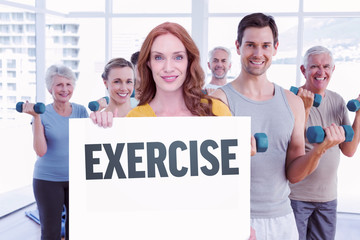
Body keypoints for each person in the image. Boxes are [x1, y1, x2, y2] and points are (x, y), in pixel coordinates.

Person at [91, 21, 256, 239]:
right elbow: (123, 194)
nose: (168, 67)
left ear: (190, 61)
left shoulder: (215, 110)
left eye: (178, 56)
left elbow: (229, 185)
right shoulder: (135, 119)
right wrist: (98, 130)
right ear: (148, 63)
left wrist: (239, 220)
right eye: (159, 57)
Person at [211, 13, 345, 239]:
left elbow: (293, 174)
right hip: (237, 219)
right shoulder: (219, 101)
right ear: (238, 46)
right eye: (250, 45)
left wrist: (320, 149)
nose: (258, 53)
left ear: (275, 48)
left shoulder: (292, 102)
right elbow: (212, 176)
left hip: (283, 219)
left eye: (265, 45)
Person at [289, 46, 360, 240]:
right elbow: (290, 145)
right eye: (314, 67)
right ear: (303, 70)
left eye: (326, 66)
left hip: (327, 198)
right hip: (296, 197)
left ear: (333, 69)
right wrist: (304, 109)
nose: (321, 72)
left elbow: (349, 150)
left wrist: (359, 115)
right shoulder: (291, 100)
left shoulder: (337, 101)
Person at [22, 64, 88, 239]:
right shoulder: (42, 113)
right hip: (47, 180)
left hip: (77, 179)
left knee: (78, 232)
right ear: (50, 88)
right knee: (51, 232)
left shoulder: (81, 111)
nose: (65, 89)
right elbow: (40, 151)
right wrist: (36, 118)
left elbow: (87, 145)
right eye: (59, 85)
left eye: (68, 84)